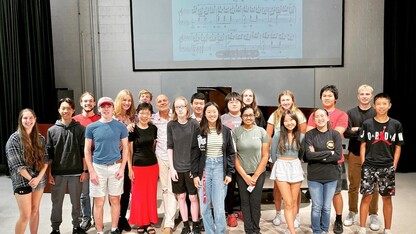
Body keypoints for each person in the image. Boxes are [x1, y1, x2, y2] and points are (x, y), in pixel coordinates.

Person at [357, 93, 404, 234]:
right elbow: (363, 145)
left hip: (387, 166)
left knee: (387, 198)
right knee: (366, 196)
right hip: (369, 165)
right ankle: (362, 227)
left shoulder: (396, 124)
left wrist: (394, 165)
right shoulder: (367, 124)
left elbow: (398, 146)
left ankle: (388, 229)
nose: (382, 106)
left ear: (389, 106)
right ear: (374, 106)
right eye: (379, 104)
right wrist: (363, 163)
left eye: (385, 104)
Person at [306, 85, 348, 234]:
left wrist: (319, 151)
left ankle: (338, 220)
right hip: (317, 168)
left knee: (336, 194)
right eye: (324, 95)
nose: (327, 97)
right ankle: (318, 228)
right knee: (318, 204)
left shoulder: (342, 114)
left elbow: (337, 135)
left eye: (330, 95)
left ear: (335, 98)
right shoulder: (314, 114)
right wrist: (327, 153)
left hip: (336, 164)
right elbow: (309, 135)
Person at [84, 96, 129, 234]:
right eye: (103, 106)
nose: (106, 108)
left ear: (113, 108)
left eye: (108, 106)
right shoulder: (92, 127)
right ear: (99, 108)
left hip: (116, 167)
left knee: (115, 199)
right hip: (98, 168)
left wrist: (122, 168)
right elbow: (86, 149)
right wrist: (91, 171)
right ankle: (99, 231)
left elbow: (126, 148)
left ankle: (114, 228)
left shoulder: (121, 126)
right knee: (99, 201)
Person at [192, 102, 236, 234]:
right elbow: (194, 153)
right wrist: (195, 175)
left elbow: (231, 153)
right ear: (205, 114)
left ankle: (220, 232)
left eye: (214, 111)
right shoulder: (199, 131)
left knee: (219, 208)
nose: (212, 114)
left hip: (219, 169)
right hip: (204, 170)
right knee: (204, 207)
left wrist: (229, 172)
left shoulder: (225, 131)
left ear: (218, 113)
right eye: (209, 112)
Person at [266, 90, 307, 227]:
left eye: (287, 99)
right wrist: (275, 159)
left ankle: (296, 216)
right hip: (279, 157)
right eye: (283, 100)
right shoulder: (274, 115)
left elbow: (302, 139)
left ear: (292, 100)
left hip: (293, 157)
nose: (285, 102)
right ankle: (278, 213)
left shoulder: (299, 114)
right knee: (278, 187)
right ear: (279, 102)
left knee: (295, 191)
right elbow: (269, 136)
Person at [46, 98, 87, 234]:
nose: (66, 111)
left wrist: (84, 171)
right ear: (59, 110)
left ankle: (76, 227)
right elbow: (49, 155)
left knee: (76, 204)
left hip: (76, 172)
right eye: (63, 108)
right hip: (58, 173)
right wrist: (49, 173)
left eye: (68, 108)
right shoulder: (52, 131)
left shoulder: (81, 129)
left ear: (73, 110)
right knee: (56, 204)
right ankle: (55, 228)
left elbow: (84, 152)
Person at [5, 108, 48, 234]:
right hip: (22, 180)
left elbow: (45, 160)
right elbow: (17, 165)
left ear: (35, 120)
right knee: (25, 215)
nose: (28, 121)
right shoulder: (13, 140)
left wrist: (38, 178)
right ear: (20, 120)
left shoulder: (40, 138)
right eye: (25, 118)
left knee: (35, 210)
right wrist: (31, 179)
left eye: (31, 118)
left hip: (39, 179)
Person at [343, 85, 379, 230]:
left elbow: (377, 133)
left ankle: (373, 214)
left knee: (373, 187)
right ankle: (352, 212)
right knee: (353, 185)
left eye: (367, 94)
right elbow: (346, 133)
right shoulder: (351, 113)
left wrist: (357, 129)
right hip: (355, 154)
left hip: (374, 155)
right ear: (358, 96)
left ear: (371, 96)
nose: (364, 96)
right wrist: (365, 131)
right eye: (362, 94)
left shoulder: (376, 112)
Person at [233, 105, 269, 234]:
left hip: (258, 173)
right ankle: (248, 230)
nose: (248, 117)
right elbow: (235, 157)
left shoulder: (261, 132)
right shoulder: (235, 132)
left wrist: (254, 176)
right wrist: (245, 176)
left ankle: (256, 229)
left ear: (255, 116)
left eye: (251, 115)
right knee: (245, 202)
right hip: (242, 174)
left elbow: (265, 155)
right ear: (241, 117)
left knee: (255, 202)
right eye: (245, 115)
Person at [167, 96, 201, 234]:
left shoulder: (194, 124)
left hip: (191, 167)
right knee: (181, 197)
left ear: (187, 108)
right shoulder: (171, 125)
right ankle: (186, 225)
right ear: (174, 109)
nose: (180, 109)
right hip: (177, 167)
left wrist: (196, 168)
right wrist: (172, 168)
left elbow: (199, 147)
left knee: (193, 197)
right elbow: (170, 146)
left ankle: (196, 224)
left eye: (182, 106)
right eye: (177, 107)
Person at [128, 103, 159, 233]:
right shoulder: (132, 129)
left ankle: (149, 222)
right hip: (137, 167)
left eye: (147, 113)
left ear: (150, 114)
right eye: (142, 112)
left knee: (151, 195)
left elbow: (154, 146)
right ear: (137, 114)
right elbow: (129, 151)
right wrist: (130, 169)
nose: (145, 115)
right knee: (138, 196)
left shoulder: (153, 128)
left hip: (152, 165)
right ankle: (141, 223)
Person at [73, 92, 101, 231]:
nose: (88, 103)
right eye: (85, 101)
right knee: (84, 193)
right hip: (81, 161)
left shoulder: (100, 119)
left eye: (90, 101)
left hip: (98, 160)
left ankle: (97, 217)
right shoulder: (74, 120)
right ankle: (86, 218)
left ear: (94, 103)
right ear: (81, 103)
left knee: (97, 192)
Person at [151, 94, 177, 234]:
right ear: (156, 105)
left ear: (169, 102)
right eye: (159, 101)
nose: (162, 103)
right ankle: (169, 219)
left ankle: (169, 221)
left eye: (164, 100)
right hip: (161, 157)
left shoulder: (176, 116)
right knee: (165, 190)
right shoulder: (153, 119)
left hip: (176, 157)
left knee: (174, 189)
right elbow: (140, 123)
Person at [113, 89, 135, 232]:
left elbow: (131, 144)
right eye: (124, 100)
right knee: (114, 193)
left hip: (127, 160)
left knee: (126, 191)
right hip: (114, 160)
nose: (127, 103)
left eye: (129, 100)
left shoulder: (132, 118)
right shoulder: (112, 118)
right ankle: (116, 218)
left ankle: (122, 218)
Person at [220, 91, 243, 227]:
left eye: (236, 101)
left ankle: (241, 211)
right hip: (228, 159)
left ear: (241, 103)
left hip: (244, 158)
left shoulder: (247, 116)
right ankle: (229, 213)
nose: (234, 103)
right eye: (230, 101)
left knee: (243, 187)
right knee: (229, 187)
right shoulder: (222, 118)